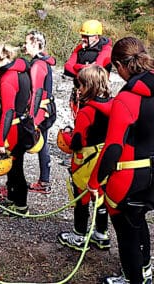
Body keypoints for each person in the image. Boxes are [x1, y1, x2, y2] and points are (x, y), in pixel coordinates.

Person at [88, 37, 154, 284]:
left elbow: (113, 148)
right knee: (140, 221)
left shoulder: (128, 98)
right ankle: (146, 268)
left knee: (127, 232)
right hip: (151, 173)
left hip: (130, 177)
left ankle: (133, 279)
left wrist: (95, 182)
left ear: (119, 65)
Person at [57, 65, 111, 252]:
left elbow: (77, 142)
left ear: (88, 86)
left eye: (80, 85)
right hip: (103, 158)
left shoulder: (87, 111)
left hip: (86, 160)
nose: (78, 89)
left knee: (82, 199)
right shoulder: (111, 105)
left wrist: (66, 135)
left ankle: (79, 235)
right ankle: (101, 233)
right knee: (101, 196)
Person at [0, 44, 32, 214]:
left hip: (14, 127)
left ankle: (20, 205)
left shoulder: (8, 78)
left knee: (15, 168)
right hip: (24, 122)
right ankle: (14, 200)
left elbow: (7, 111)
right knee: (15, 166)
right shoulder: (20, 67)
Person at [23, 30, 57, 194]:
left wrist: (32, 118)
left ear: (36, 44)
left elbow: (36, 92)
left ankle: (44, 181)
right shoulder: (44, 62)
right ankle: (44, 180)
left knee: (40, 144)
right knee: (43, 144)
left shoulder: (38, 65)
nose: (24, 46)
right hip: (46, 109)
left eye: (27, 43)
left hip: (40, 111)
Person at [64, 19, 112, 118]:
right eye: (82, 36)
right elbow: (67, 68)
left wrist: (76, 66)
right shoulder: (80, 48)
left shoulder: (106, 49)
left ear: (96, 36)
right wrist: (85, 68)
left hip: (96, 95)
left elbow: (96, 70)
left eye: (86, 36)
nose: (83, 39)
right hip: (80, 93)